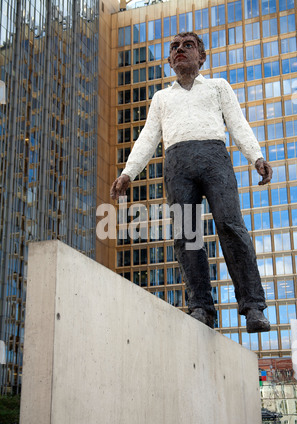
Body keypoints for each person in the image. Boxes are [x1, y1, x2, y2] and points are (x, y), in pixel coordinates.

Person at [110, 32, 273, 333]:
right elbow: (148, 136)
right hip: (177, 164)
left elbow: (237, 123)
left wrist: (256, 157)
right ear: (170, 60)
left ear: (202, 56)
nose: (180, 50)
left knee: (231, 225)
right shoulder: (162, 98)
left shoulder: (217, 87)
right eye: (174, 47)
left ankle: (253, 307)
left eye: (188, 45)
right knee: (187, 236)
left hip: (215, 159)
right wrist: (128, 173)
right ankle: (201, 307)